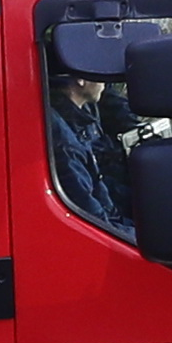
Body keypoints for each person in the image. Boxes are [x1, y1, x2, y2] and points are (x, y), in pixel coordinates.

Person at [48, 63, 134, 238]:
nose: (105, 82)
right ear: (80, 79)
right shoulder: (65, 146)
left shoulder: (83, 115)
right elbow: (96, 223)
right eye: (100, 73)